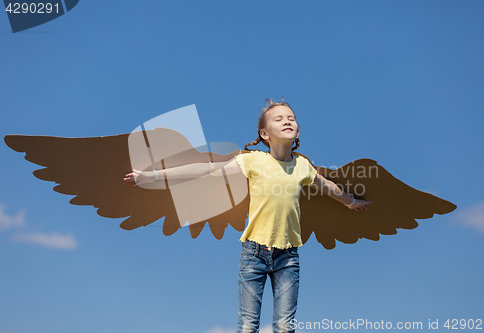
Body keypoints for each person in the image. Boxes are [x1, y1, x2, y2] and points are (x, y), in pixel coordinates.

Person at [124, 98, 372, 333]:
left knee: (285, 326)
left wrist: (350, 202)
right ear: (264, 134)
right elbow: (207, 168)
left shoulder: (302, 166)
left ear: (297, 131)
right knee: (247, 326)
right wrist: (153, 176)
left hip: (288, 258)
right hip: (254, 255)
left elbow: (327, 185)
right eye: (278, 119)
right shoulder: (252, 161)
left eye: (291, 118)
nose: (287, 121)